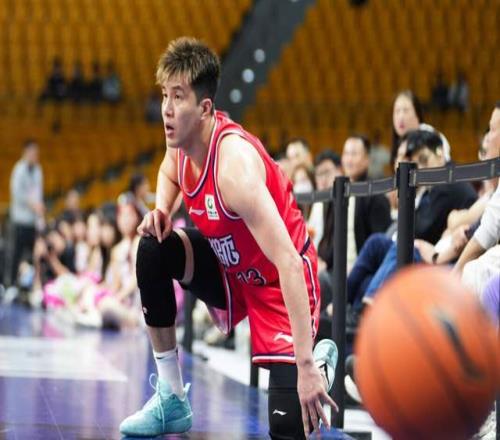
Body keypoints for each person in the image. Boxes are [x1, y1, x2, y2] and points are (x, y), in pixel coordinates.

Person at [119, 37, 339, 439]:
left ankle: (318, 361)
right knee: (152, 247)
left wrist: (305, 368)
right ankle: (171, 396)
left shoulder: (233, 169)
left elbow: (290, 263)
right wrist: (163, 210)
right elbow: (168, 170)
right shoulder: (181, 142)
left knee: (287, 426)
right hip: (231, 268)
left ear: (205, 108)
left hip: (280, 281)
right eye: (164, 95)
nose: (166, 109)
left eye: (178, 97)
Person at [6, 140, 45, 291]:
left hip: (32, 221)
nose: (35, 156)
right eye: (33, 152)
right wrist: (33, 205)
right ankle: (10, 285)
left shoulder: (38, 170)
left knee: (32, 255)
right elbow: (17, 194)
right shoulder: (19, 169)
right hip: (19, 220)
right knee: (15, 253)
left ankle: (29, 285)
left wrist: (39, 208)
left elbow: (38, 193)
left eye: (37, 153)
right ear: (26, 152)